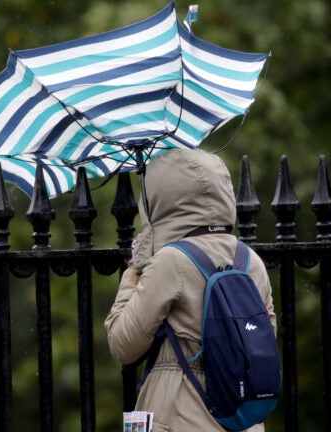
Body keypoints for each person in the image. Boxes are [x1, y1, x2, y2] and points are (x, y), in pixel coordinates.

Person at [105, 149, 277, 432]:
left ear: (161, 199)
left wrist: (134, 271)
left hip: (178, 414)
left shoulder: (171, 261)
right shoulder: (249, 260)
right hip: (242, 417)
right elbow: (264, 338)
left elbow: (123, 344)